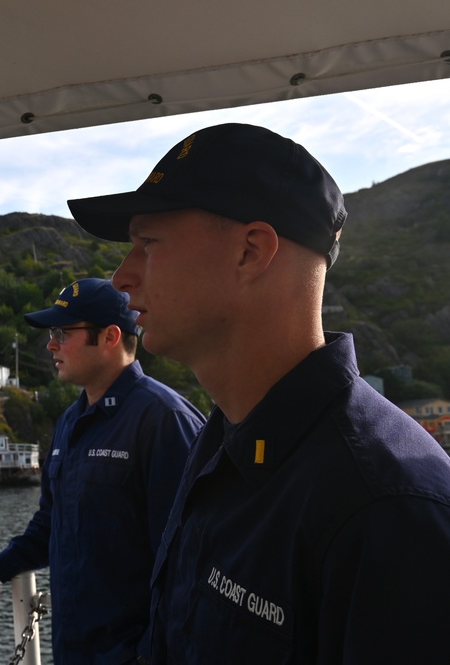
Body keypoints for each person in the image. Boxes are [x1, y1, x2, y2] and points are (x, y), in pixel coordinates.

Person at [68, 122, 450, 664]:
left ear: (251, 251)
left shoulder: (392, 512)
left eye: (148, 243)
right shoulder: (219, 441)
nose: (122, 275)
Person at [0, 277, 205, 664]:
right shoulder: (70, 422)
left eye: (63, 332)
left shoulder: (164, 420)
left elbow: (190, 564)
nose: (51, 344)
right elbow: (51, 523)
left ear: (110, 337)